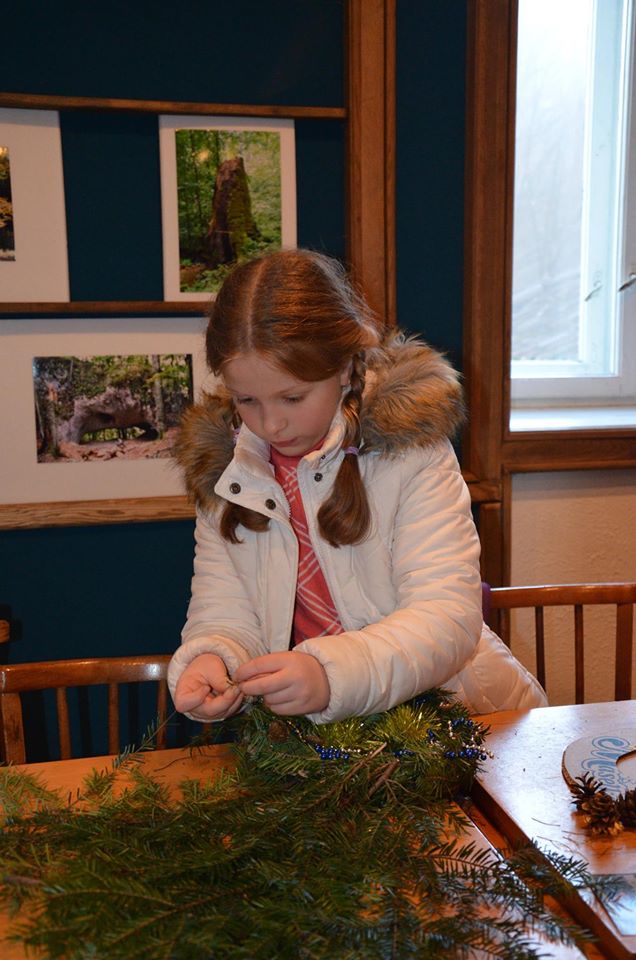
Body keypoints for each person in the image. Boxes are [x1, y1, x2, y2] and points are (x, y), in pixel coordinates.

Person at [168, 249, 547, 724]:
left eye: (293, 397)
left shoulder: (411, 452)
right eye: (247, 400)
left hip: (463, 723)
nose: (272, 423)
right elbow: (224, 607)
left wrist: (330, 676)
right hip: (321, 741)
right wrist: (215, 656)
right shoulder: (224, 471)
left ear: (346, 369)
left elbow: (446, 618)